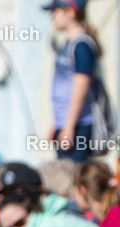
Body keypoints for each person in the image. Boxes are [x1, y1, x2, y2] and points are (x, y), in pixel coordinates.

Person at [45, 0, 102, 162]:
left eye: (56, 12)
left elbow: (81, 88)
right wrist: (56, 125)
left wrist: (69, 127)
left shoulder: (82, 45)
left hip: (79, 126)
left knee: (73, 178)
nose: (52, 17)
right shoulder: (68, 44)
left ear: (70, 12)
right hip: (64, 124)